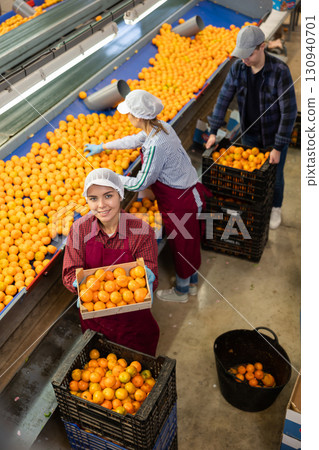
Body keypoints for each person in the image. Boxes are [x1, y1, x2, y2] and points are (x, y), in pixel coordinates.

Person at [85, 89, 209, 303]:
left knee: (181, 244)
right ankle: (192, 283)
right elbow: (134, 140)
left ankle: (181, 291)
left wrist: (112, 178)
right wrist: (103, 146)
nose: (128, 117)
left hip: (180, 200)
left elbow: (142, 182)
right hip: (187, 193)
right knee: (189, 240)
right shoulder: (160, 128)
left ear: (139, 116)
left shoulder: (155, 145)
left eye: (130, 114)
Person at [206, 25, 297, 229]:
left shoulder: (279, 72)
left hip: (274, 135)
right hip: (249, 133)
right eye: (241, 54)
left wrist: (278, 146)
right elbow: (223, 99)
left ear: (262, 47)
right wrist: (213, 131)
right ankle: (257, 206)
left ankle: (275, 207)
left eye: (248, 54)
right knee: (252, 174)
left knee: (275, 175)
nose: (244, 59)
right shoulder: (238, 69)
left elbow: (289, 112)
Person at [62, 168, 160, 356]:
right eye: (93, 198)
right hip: (95, 317)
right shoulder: (79, 230)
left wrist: (148, 276)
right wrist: (77, 283)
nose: (101, 205)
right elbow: (69, 272)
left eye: (108, 196)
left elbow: (150, 276)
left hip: (133, 321)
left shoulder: (141, 231)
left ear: (120, 195)